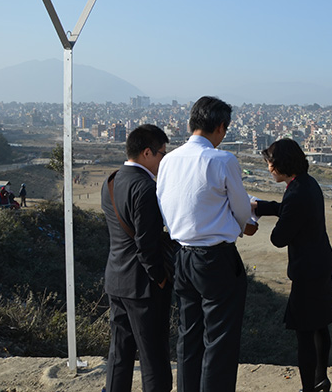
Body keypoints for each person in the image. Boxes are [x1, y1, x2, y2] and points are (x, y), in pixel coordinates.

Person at [156, 96, 256, 392]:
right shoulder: (222, 159)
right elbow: (241, 210)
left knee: (189, 335)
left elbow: (164, 204)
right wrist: (240, 226)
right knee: (220, 340)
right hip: (215, 259)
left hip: (181, 256)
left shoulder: (169, 160)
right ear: (221, 127)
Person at [253, 138, 332, 392]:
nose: (268, 168)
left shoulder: (296, 192)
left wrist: (257, 218)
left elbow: (279, 239)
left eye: (270, 163)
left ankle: (308, 388)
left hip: (306, 271)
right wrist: (264, 207)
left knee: (304, 333)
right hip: (321, 263)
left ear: (282, 164)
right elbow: (291, 210)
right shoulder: (307, 184)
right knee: (321, 325)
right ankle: (321, 378)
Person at [101, 124, 172, 392]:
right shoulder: (145, 188)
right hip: (143, 285)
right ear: (146, 153)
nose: (163, 160)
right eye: (161, 154)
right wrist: (161, 278)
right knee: (153, 356)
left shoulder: (112, 180)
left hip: (116, 279)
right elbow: (147, 244)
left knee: (120, 354)